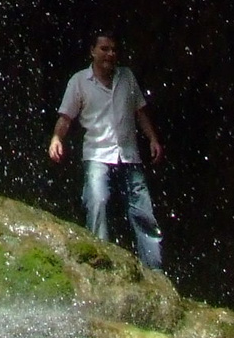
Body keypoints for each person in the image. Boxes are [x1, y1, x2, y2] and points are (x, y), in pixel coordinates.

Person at [47, 31, 165, 270]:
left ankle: (155, 271)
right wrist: (56, 138)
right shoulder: (79, 81)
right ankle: (101, 266)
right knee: (97, 203)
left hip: (128, 155)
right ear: (92, 51)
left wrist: (152, 138)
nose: (110, 54)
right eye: (104, 49)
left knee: (144, 213)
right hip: (98, 155)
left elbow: (140, 111)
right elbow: (66, 117)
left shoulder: (127, 77)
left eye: (113, 49)